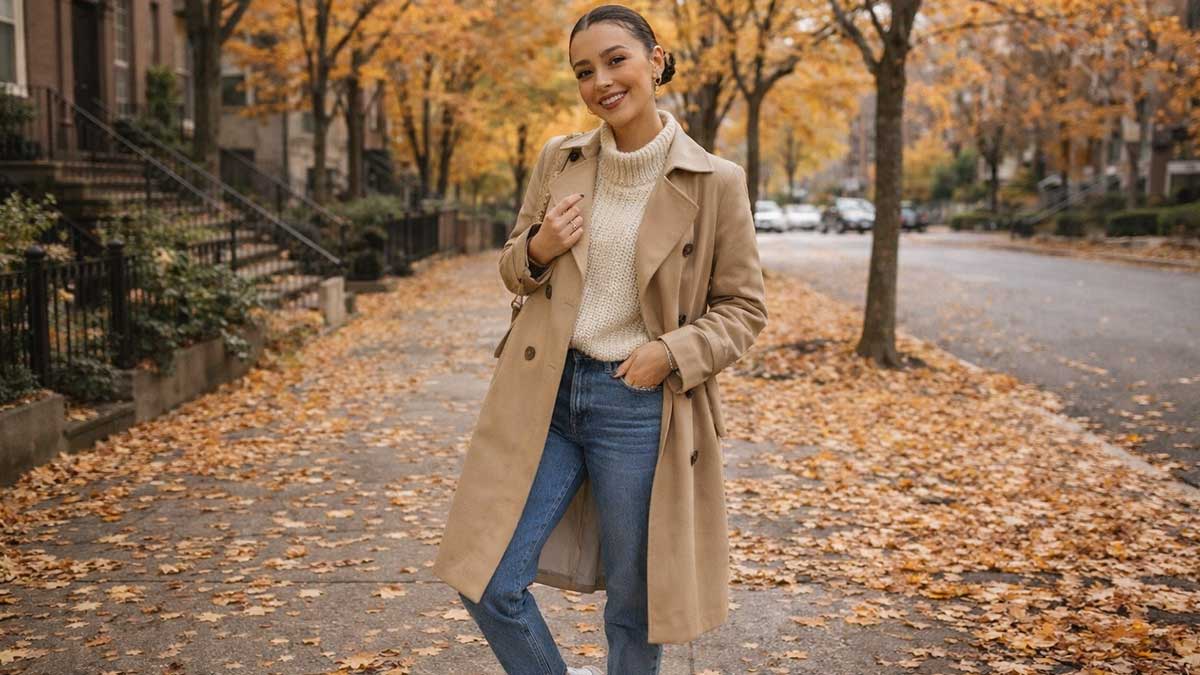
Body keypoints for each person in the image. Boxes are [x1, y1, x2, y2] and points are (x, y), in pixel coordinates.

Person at [432, 5, 768, 674]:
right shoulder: (562, 158)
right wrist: (538, 245)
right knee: (489, 578)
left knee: (633, 604)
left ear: (656, 59)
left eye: (616, 60)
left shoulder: (714, 182)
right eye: (584, 71)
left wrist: (670, 353)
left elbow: (744, 308)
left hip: (638, 404)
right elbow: (513, 266)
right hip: (547, 394)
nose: (601, 82)